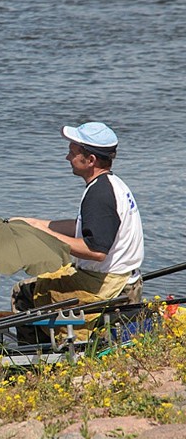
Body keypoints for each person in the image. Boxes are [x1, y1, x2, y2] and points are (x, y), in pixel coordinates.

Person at [11, 122, 144, 344]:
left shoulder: (99, 195)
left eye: (72, 153)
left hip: (108, 285)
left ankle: (42, 360)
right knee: (45, 279)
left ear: (90, 160)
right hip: (122, 277)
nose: (67, 158)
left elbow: (96, 250)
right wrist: (35, 223)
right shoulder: (111, 184)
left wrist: (43, 235)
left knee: (23, 292)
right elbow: (87, 227)